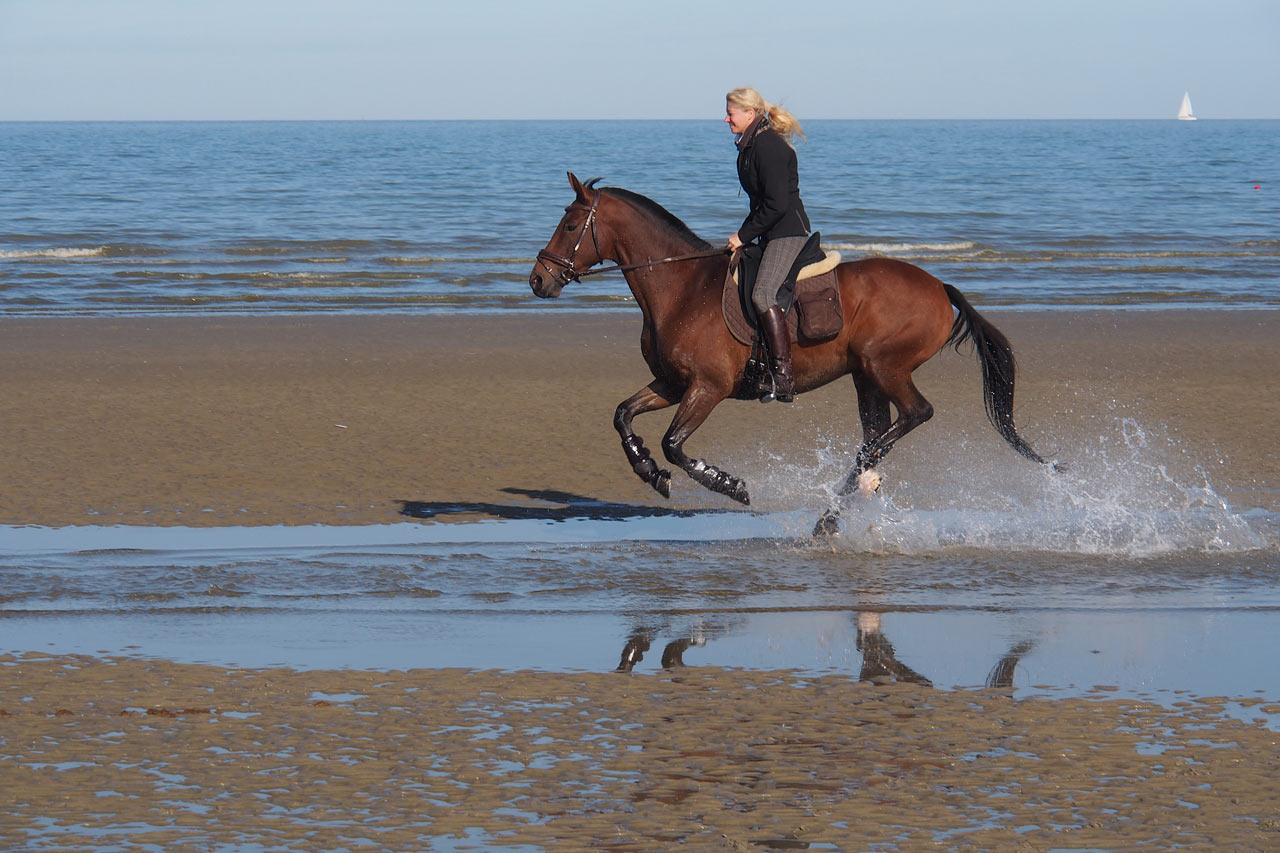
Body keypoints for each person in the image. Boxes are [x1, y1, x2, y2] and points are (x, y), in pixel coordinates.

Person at [725, 86, 812, 403]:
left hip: (787, 231)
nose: (726, 119)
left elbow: (776, 205)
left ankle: (783, 378)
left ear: (750, 113)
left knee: (763, 293)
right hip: (769, 230)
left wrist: (742, 236)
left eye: (731, 113)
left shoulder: (768, 146)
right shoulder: (751, 145)